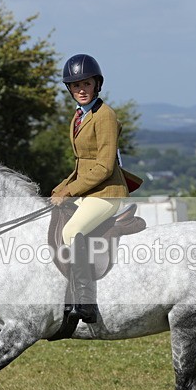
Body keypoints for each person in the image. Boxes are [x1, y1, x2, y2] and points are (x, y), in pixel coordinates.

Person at [50, 54, 141, 323]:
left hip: (107, 192)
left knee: (71, 231)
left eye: (86, 84)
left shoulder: (105, 116)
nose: (80, 89)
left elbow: (102, 167)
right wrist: (59, 187)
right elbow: (81, 164)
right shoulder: (78, 117)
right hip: (89, 190)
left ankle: (86, 303)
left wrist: (69, 191)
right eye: (75, 85)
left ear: (96, 84)